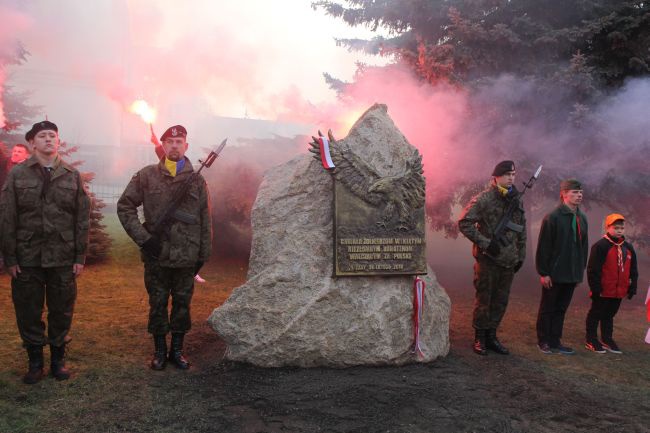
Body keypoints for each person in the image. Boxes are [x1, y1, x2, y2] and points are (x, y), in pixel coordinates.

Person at [0, 120, 90, 383]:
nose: (48, 139)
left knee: (61, 310)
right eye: (42, 136)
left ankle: (58, 360)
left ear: (58, 141)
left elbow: (81, 219)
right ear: (32, 143)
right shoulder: (18, 175)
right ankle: (35, 361)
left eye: (53, 135)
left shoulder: (71, 174)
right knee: (28, 310)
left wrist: (79, 256)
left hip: (63, 257)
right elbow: (7, 217)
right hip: (28, 257)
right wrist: (11, 257)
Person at [117, 124, 212, 371]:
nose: (174, 145)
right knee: (157, 303)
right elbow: (125, 206)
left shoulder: (197, 181)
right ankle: (159, 351)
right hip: (156, 255)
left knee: (182, 304)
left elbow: (205, 218)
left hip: (186, 255)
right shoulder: (146, 175)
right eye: (169, 142)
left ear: (186, 146)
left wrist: (203, 254)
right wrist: (144, 239)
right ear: (163, 146)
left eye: (179, 141)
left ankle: (177, 350)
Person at [458, 160, 526, 355]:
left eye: (514, 174)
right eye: (507, 174)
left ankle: (492, 336)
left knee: (500, 301)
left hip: (508, 261)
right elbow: (465, 223)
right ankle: (480, 338)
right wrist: (486, 243)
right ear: (496, 177)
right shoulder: (484, 199)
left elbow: (521, 230)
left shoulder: (516, 199)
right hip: (488, 261)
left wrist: (521, 255)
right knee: (484, 300)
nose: (511, 178)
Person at [535, 179, 589, 355]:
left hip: (571, 272)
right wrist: (544, 272)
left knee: (561, 309)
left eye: (580, 192)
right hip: (555, 273)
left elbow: (583, 246)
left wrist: (579, 271)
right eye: (574, 192)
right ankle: (543, 341)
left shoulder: (582, 218)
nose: (579, 195)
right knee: (548, 307)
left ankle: (555, 340)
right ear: (564, 194)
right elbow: (544, 247)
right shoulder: (553, 217)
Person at [585, 214, 638, 353]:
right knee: (596, 313)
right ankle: (591, 339)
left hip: (619, 290)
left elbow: (633, 270)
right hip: (603, 289)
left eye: (622, 228)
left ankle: (607, 338)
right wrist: (595, 288)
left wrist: (632, 287)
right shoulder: (600, 246)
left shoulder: (628, 247)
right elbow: (593, 269)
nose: (619, 230)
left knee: (609, 315)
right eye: (616, 228)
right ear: (607, 227)